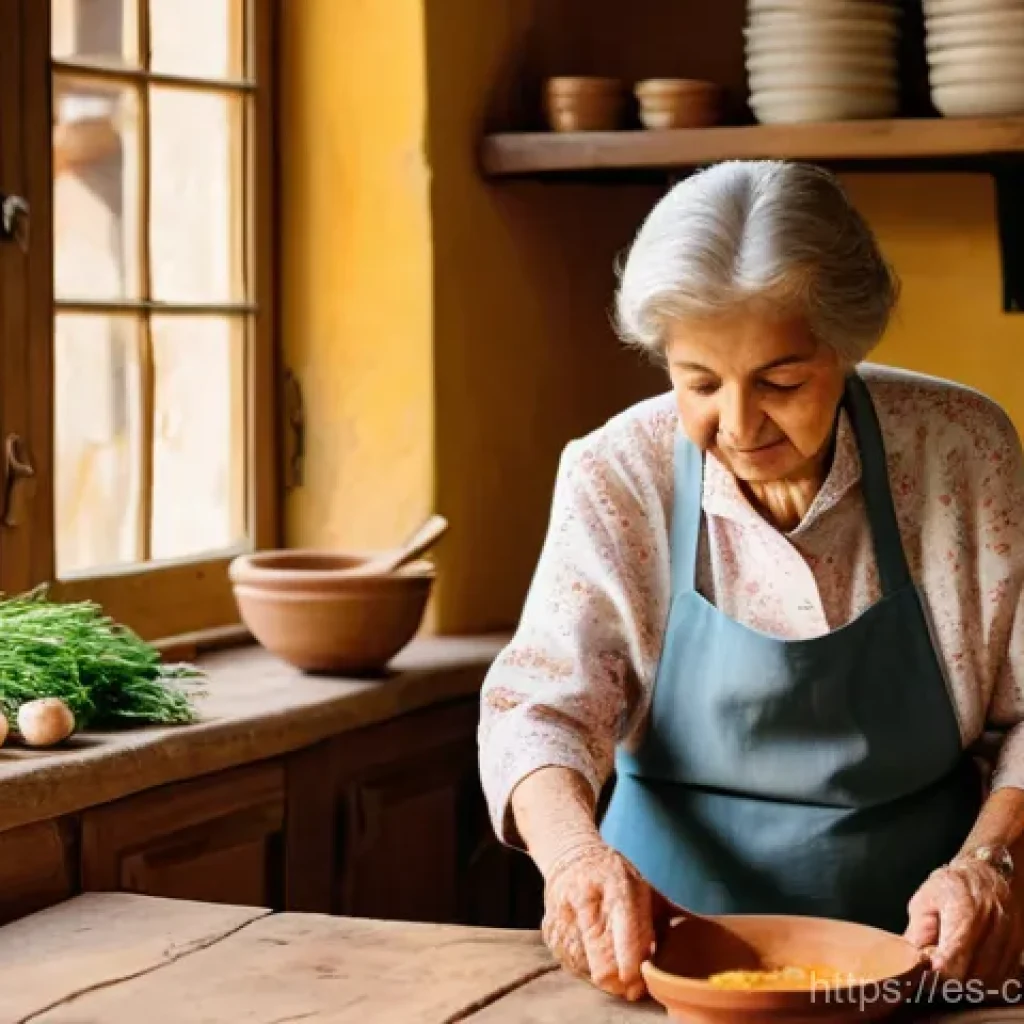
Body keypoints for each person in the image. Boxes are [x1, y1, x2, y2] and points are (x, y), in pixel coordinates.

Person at [477, 160, 1024, 1002]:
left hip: (925, 959)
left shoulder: (963, 449)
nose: (736, 425)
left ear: (848, 345)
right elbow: (539, 709)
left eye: (781, 381)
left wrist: (990, 863)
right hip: (666, 960)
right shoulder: (617, 472)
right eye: (698, 381)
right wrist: (577, 863)